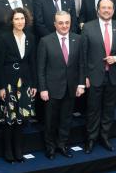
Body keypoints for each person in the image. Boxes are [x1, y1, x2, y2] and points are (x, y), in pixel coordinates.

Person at [37, 11, 86, 160]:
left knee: (66, 119)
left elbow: (82, 64)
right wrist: (43, 88)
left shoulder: (78, 39)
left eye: (67, 23)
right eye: (61, 23)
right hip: (51, 89)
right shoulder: (45, 41)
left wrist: (81, 84)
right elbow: (41, 68)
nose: (64, 26)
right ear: (55, 24)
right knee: (50, 120)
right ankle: (50, 147)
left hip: (71, 88)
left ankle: (62, 145)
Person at [83, 0, 116, 153]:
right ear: (98, 10)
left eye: (109, 8)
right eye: (103, 7)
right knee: (93, 109)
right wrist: (85, 77)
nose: (107, 10)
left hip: (113, 75)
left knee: (109, 109)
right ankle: (91, 139)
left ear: (113, 10)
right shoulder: (88, 27)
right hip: (94, 76)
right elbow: (83, 54)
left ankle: (104, 137)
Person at [0, 7, 36, 163]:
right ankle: (8, 151)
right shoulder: (3, 38)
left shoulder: (30, 37)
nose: (20, 21)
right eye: (17, 19)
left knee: (20, 119)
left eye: (22, 19)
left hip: (24, 83)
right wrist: (1, 86)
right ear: (12, 21)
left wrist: (33, 84)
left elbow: (32, 62)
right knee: (8, 119)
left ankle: (18, 150)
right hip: (9, 83)